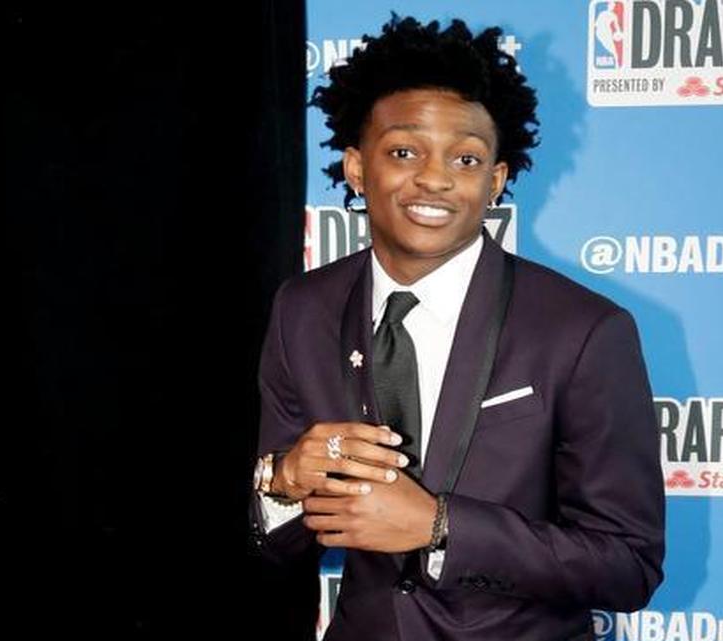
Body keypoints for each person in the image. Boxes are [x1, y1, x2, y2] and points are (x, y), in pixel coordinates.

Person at [249, 14, 665, 641]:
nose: (435, 178)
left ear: (495, 180)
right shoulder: (302, 309)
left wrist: (440, 527)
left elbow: (628, 565)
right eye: (404, 151)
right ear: (358, 169)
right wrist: (282, 480)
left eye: (466, 158)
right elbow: (274, 545)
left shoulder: (584, 330)